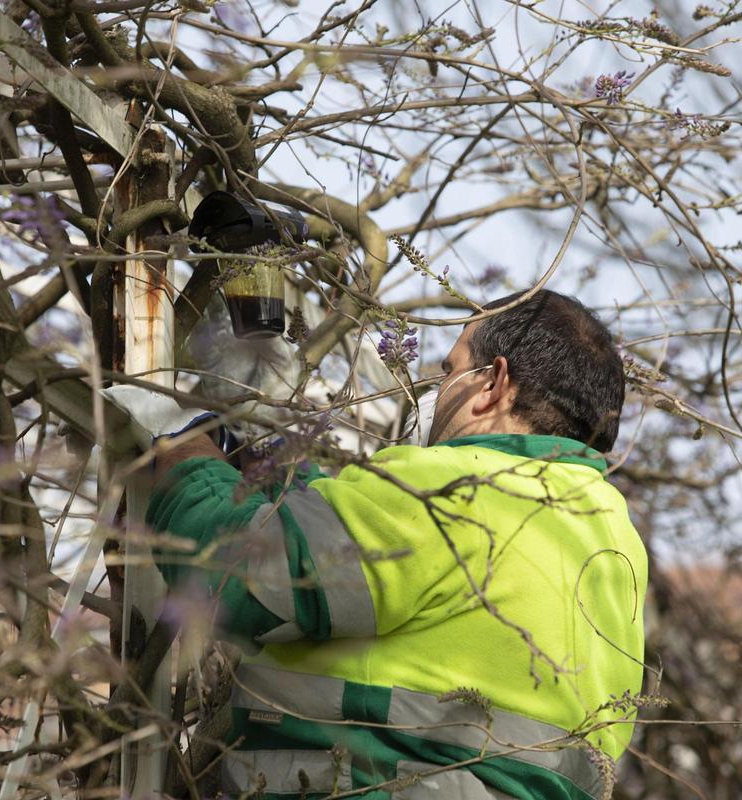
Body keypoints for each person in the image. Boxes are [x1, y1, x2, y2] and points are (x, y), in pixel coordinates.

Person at [106, 289, 648, 800]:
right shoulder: (610, 535)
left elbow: (236, 577)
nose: (437, 394)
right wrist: (273, 450)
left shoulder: (456, 488)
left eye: (450, 369)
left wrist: (181, 441)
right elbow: (372, 597)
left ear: (493, 384)